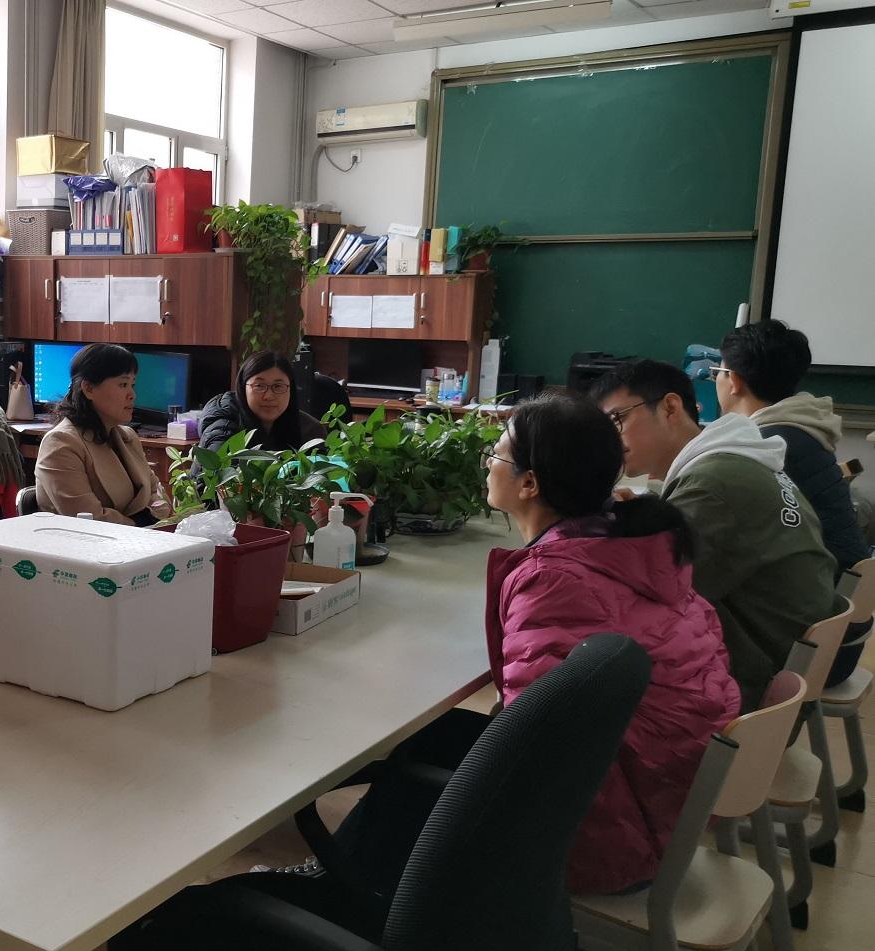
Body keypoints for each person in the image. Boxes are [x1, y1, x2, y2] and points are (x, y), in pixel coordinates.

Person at [329, 392, 740, 897]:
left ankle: (348, 897)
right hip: (663, 797)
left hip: (617, 830)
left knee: (418, 763)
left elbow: (532, 741)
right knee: (434, 736)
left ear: (529, 483)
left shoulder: (556, 577)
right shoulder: (630, 542)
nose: (487, 463)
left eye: (497, 453)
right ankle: (350, 871)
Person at [593, 359, 842, 708]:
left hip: (752, 676)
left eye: (617, 420)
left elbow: (654, 595)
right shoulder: (733, 460)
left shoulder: (713, 485)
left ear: (669, 407)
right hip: (787, 655)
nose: (610, 439)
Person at [716, 319, 871, 570]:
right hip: (844, 573)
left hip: (826, 581)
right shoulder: (799, 427)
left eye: (717, 372)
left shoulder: (766, 445)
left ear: (733, 380)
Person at [34, 343, 167, 526]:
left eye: (132, 384)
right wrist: (142, 526)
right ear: (89, 389)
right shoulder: (61, 442)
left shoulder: (127, 436)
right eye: (123, 384)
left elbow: (156, 492)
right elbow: (88, 519)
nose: (132, 395)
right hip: (84, 541)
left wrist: (156, 518)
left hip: (139, 537)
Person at [197, 351, 325, 455]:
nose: (268, 396)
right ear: (242, 387)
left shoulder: (309, 429)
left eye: (278, 386)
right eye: (259, 386)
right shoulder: (223, 423)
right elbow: (218, 472)